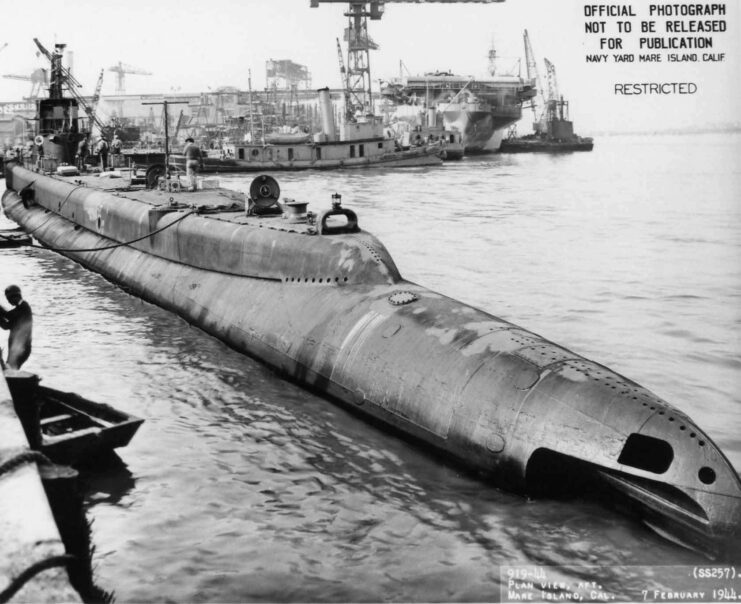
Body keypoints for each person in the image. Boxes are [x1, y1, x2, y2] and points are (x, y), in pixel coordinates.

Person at [0, 285, 33, 370]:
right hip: (16, 348)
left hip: (21, 348)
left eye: (9, 299)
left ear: (14, 297)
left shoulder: (24, 307)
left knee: (10, 370)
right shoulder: (20, 309)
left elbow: (8, 315)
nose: (8, 302)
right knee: (10, 369)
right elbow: (6, 326)